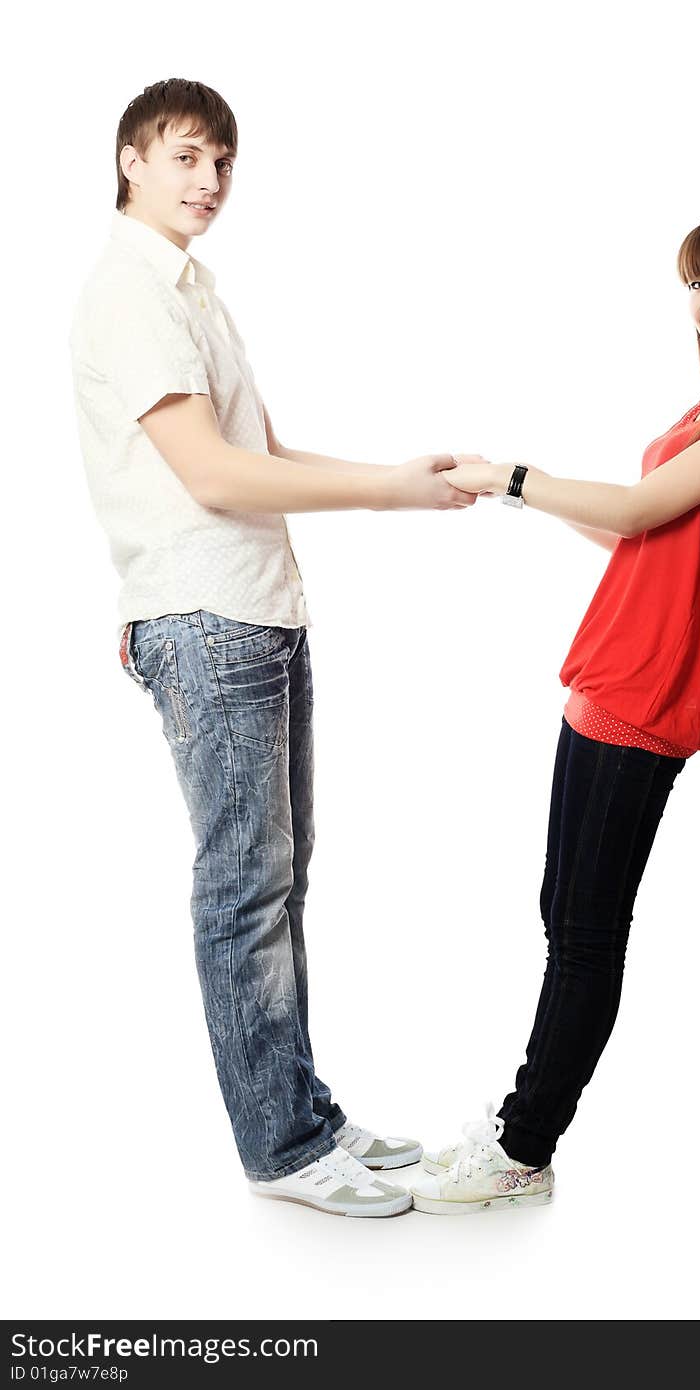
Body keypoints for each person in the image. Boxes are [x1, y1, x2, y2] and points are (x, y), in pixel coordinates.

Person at [69, 78, 477, 1218]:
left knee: (278, 877)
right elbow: (211, 474)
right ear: (132, 158)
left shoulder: (192, 287)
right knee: (244, 885)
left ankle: (300, 1110)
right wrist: (387, 493)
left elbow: (260, 446)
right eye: (188, 155)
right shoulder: (130, 292)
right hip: (206, 612)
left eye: (224, 163)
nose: (209, 180)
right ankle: (284, 1152)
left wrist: (398, 479)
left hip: (255, 602)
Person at [409, 207, 700, 1214]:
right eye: (696, 284)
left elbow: (641, 512)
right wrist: (527, 500)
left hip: (660, 684)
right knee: (564, 910)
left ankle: (522, 1144)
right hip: (611, 669)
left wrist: (512, 475)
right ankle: (518, 1124)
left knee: (586, 930)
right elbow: (648, 539)